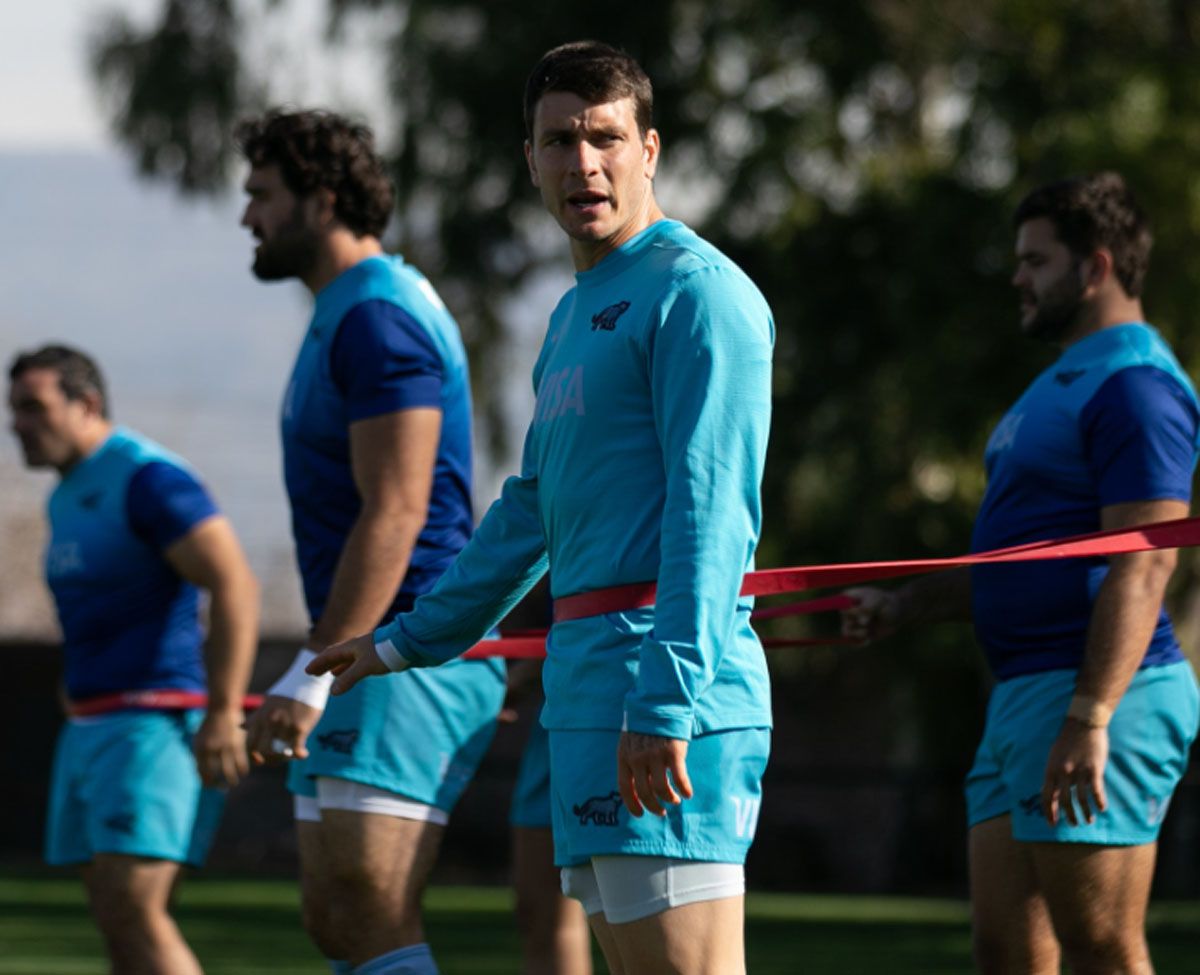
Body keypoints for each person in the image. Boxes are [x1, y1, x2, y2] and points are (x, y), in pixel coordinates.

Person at [309, 41, 775, 975]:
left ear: (650, 149)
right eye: (559, 141)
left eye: (605, 137)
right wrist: (404, 640)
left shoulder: (698, 293)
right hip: (586, 692)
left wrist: (668, 699)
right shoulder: (573, 314)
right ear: (530, 160)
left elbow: (711, 515)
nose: (583, 162)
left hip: (664, 696)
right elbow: (530, 513)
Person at [842, 173, 1200, 975]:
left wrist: (1091, 714)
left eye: (1036, 260)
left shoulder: (1137, 383)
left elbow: (1146, 559)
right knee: (1006, 952)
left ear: (1096, 267)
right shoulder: (1059, 382)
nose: (1018, 277)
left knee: (1101, 946)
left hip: (1102, 692)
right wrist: (903, 604)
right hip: (1024, 696)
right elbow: (1015, 564)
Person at [235, 109, 507, 975]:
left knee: (365, 905)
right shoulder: (347, 310)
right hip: (373, 648)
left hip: (405, 653)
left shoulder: (377, 318)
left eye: (262, 196)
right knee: (338, 915)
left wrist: (307, 674)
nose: (249, 218)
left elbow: (396, 508)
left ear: (320, 202)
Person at [7, 344, 259, 975]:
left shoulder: (148, 479)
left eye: (34, 407)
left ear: (86, 403)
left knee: (136, 912)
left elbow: (235, 584)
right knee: (117, 925)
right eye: (13, 410)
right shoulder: (65, 496)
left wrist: (223, 712)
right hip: (91, 726)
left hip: (152, 727)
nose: (18, 424)